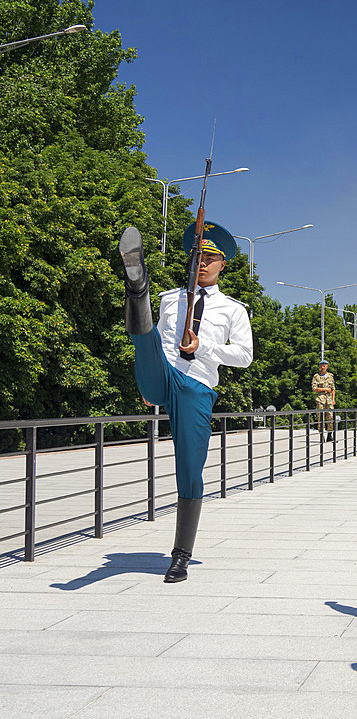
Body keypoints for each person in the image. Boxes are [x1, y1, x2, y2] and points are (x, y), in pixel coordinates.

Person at [118, 222, 252, 583]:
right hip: (163, 373)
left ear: (223, 264)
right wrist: (150, 382)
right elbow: (157, 341)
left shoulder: (233, 310)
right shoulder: (170, 299)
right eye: (197, 257)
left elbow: (244, 356)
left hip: (197, 386)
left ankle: (180, 556)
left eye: (210, 258)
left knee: (190, 469)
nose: (203, 264)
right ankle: (137, 285)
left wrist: (203, 348)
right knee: (144, 337)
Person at [312, 359, 336, 441]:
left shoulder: (330, 376)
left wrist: (333, 399)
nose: (323, 367)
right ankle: (321, 436)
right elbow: (314, 388)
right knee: (320, 418)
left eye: (325, 365)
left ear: (327, 366)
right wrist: (324, 389)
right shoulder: (316, 376)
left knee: (330, 417)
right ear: (320, 366)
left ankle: (330, 435)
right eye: (322, 365)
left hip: (329, 400)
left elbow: (333, 389)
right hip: (320, 399)